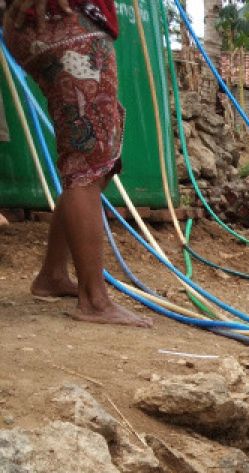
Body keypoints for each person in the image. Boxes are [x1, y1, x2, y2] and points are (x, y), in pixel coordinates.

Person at [3, 0, 151, 327]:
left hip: (53, 22)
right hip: (65, 19)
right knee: (87, 156)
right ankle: (94, 300)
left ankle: (53, 274)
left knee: (101, 153)